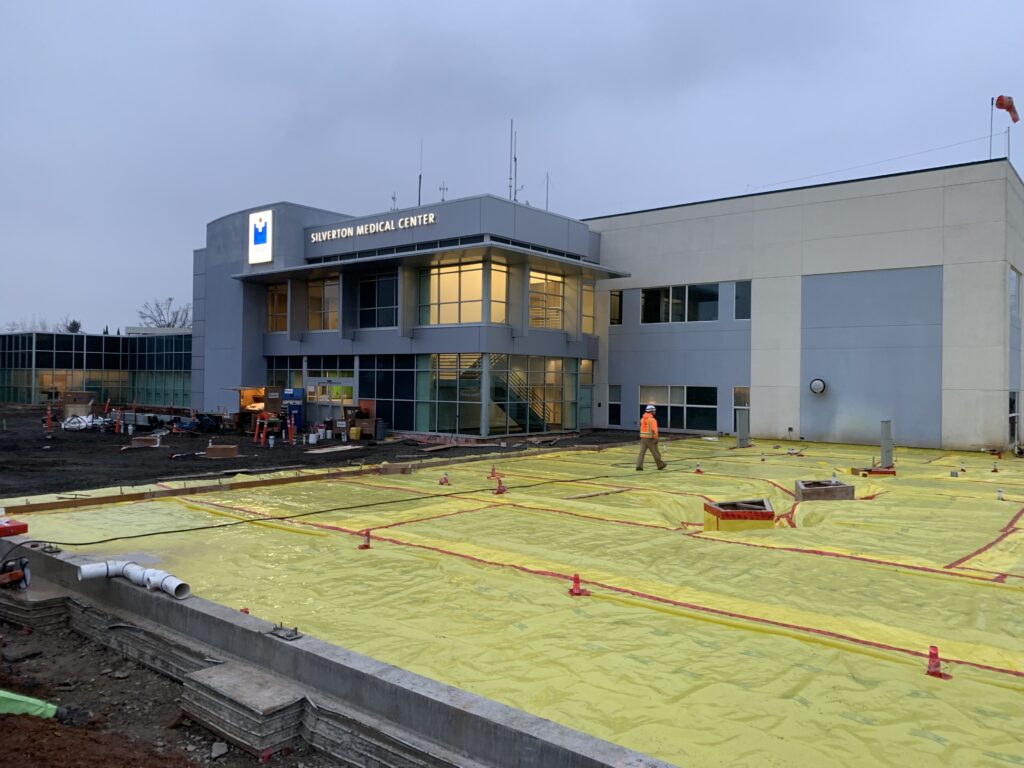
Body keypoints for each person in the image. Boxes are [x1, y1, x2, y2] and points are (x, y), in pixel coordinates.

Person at [637, 404, 666, 471]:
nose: (655, 412)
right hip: (650, 439)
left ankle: (639, 466)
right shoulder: (652, 420)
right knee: (655, 452)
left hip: (642, 438)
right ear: (651, 411)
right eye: (654, 411)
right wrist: (656, 438)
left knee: (641, 453)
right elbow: (654, 430)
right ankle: (660, 465)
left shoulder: (642, 419)